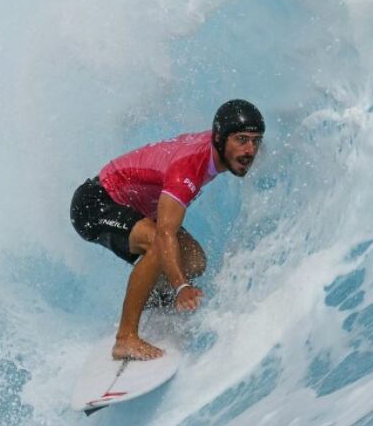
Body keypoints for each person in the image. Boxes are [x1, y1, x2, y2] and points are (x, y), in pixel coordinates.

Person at [70, 99, 266, 360]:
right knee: (158, 245)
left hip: (133, 207)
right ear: (219, 138)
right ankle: (125, 338)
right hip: (95, 204)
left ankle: (152, 302)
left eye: (255, 141)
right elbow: (164, 235)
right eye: (242, 140)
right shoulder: (188, 168)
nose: (250, 150)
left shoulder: (215, 146)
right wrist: (181, 287)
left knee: (194, 261)